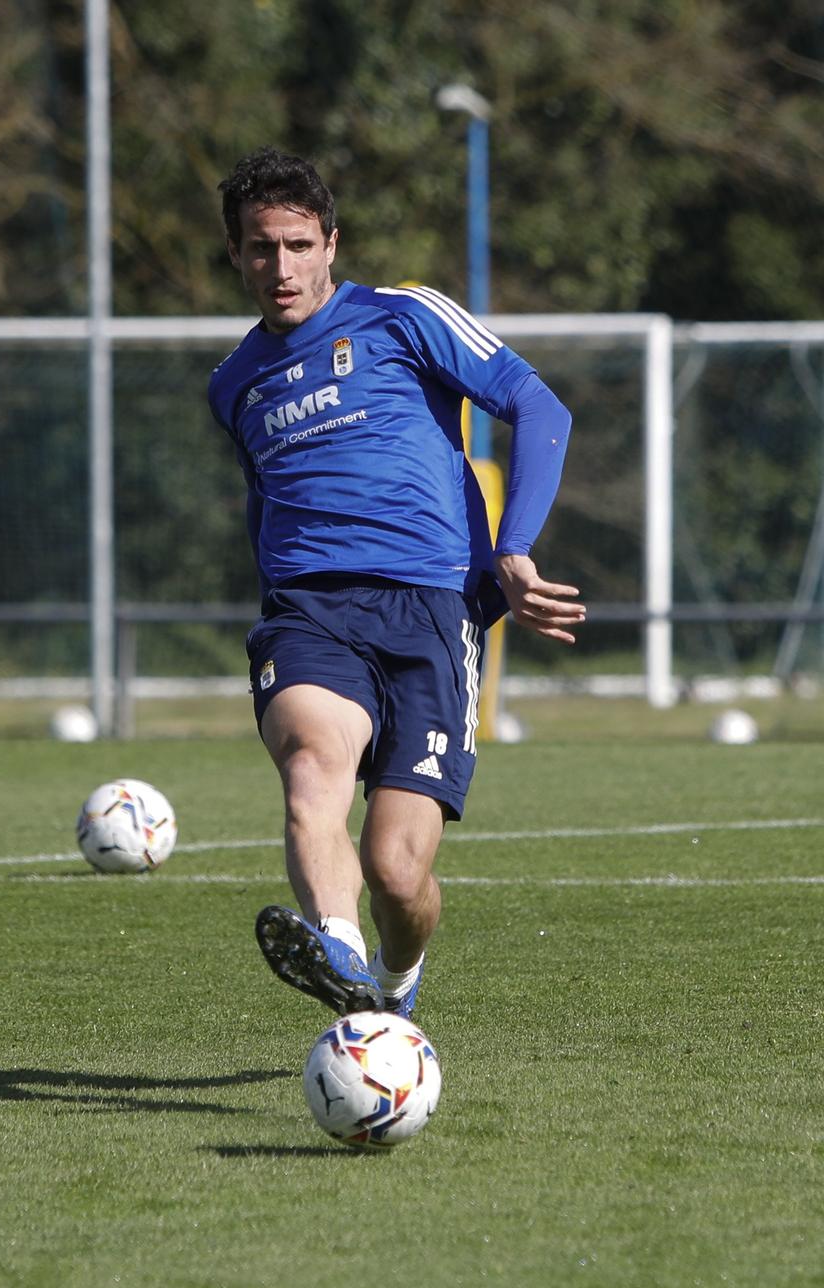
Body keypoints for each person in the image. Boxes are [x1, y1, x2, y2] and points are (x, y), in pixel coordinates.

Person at [207, 147, 585, 1020]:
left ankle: (392, 974)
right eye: (261, 249)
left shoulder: (403, 315)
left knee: (397, 870)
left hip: (430, 609)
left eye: (299, 245)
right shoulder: (234, 384)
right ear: (236, 255)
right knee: (312, 762)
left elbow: (539, 406)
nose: (281, 267)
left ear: (331, 244)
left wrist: (514, 550)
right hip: (310, 614)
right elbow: (262, 510)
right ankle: (337, 954)